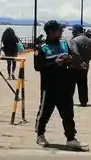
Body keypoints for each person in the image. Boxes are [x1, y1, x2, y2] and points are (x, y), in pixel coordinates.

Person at [33, 20, 82, 149]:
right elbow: (38, 67)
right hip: (49, 87)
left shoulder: (65, 44)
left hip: (65, 86)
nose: (61, 32)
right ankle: (40, 134)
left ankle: (71, 138)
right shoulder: (41, 48)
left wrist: (71, 61)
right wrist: (56, 63)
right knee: (44, 112)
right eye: (59, 30)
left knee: (68, 114)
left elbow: (72, 59)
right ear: (51, 32)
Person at [68, 24, 91, 107]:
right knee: (83, 83)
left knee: (71, 84)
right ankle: (84, 101)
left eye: (73, 30)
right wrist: (86, 61)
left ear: (77, 31)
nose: (72, 32)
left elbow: (74, 52)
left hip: (74, 65)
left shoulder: (74, 40)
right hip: (85, 65)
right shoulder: (88, 40)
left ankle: (68, 100)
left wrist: (80, 61)